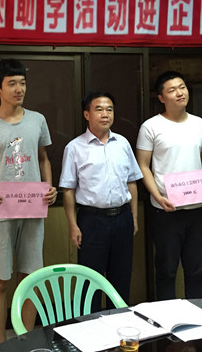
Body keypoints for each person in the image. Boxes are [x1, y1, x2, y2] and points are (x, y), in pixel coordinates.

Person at [0, 58, 57, 343]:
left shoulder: (37, 120)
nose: (19, 89)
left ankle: (26, 340)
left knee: (30, 278)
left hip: (32, 208)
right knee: (1, 279)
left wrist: (49, 186)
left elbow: (43, 158)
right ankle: (1, 342)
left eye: (23, 83)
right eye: (12, 84)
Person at [136, 71, 202, 300]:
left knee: (196, 271)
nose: (180, 93)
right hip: (166, 211)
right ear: (161, 98)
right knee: (166, 271)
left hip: (197, 210)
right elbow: (143, 165)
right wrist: (158, 196)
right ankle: (166, 319)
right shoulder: (151, 127)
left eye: (182, 87)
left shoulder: (200, 124)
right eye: (172, 90)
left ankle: (198, 316)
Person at [59, 92, 143, 311]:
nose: (105, 114)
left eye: (109, 109)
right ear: (87, 114)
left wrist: (134, 218)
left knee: (121, 279)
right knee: (90, 282)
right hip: (92, 221)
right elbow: (68, 190)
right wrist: (73, 226)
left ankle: (120, 324)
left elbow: (132, 182)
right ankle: (91, 327)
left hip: (122, 218)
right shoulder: (75, 147)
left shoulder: (123, 143)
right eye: (99, 109)